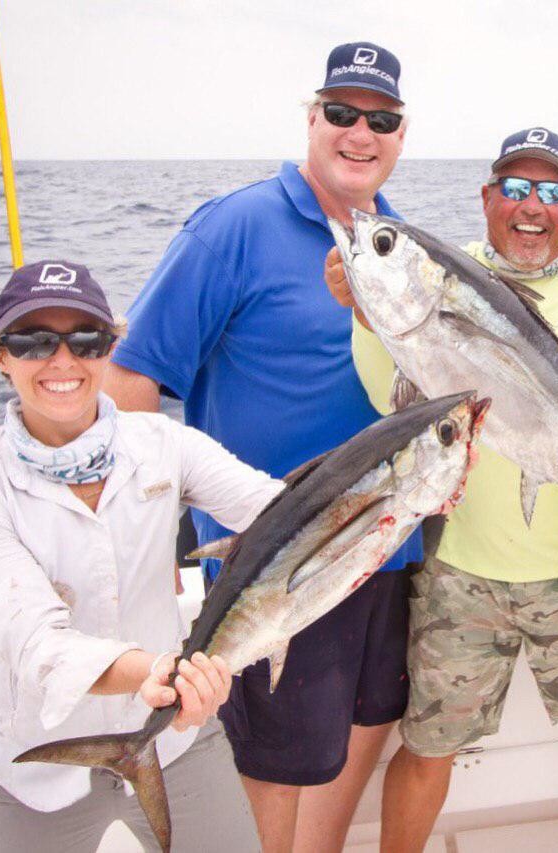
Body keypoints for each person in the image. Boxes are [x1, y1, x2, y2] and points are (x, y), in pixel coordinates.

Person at [102, 42, 420, 853]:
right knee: (277, 760)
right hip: (275, 562)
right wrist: (124, 536)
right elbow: (130, 381)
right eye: (341, 113)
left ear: (400, 134)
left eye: (379, 119)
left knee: (370, 718)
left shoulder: (395, 244)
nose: (360, 132)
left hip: (392, 549)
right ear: (310, 121)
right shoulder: (233, 227)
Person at [327, 129, 558, 853]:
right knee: (426, 744)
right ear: (486, 199)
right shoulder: (441, 277)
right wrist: (366, 310)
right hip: (460, 569)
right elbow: (392, 398)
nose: (531, 207)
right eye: (514, 189)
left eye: (550, 192)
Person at [0, 260, 284, 852]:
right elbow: (41, 648)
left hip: (175, 736)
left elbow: (276, 513)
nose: (63, 360)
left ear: (111, 347)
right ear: (0, 356)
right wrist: (156, 672)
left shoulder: (166, 445)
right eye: (34, 340)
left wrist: (403, 488)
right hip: (32, 762)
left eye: (86, 339)